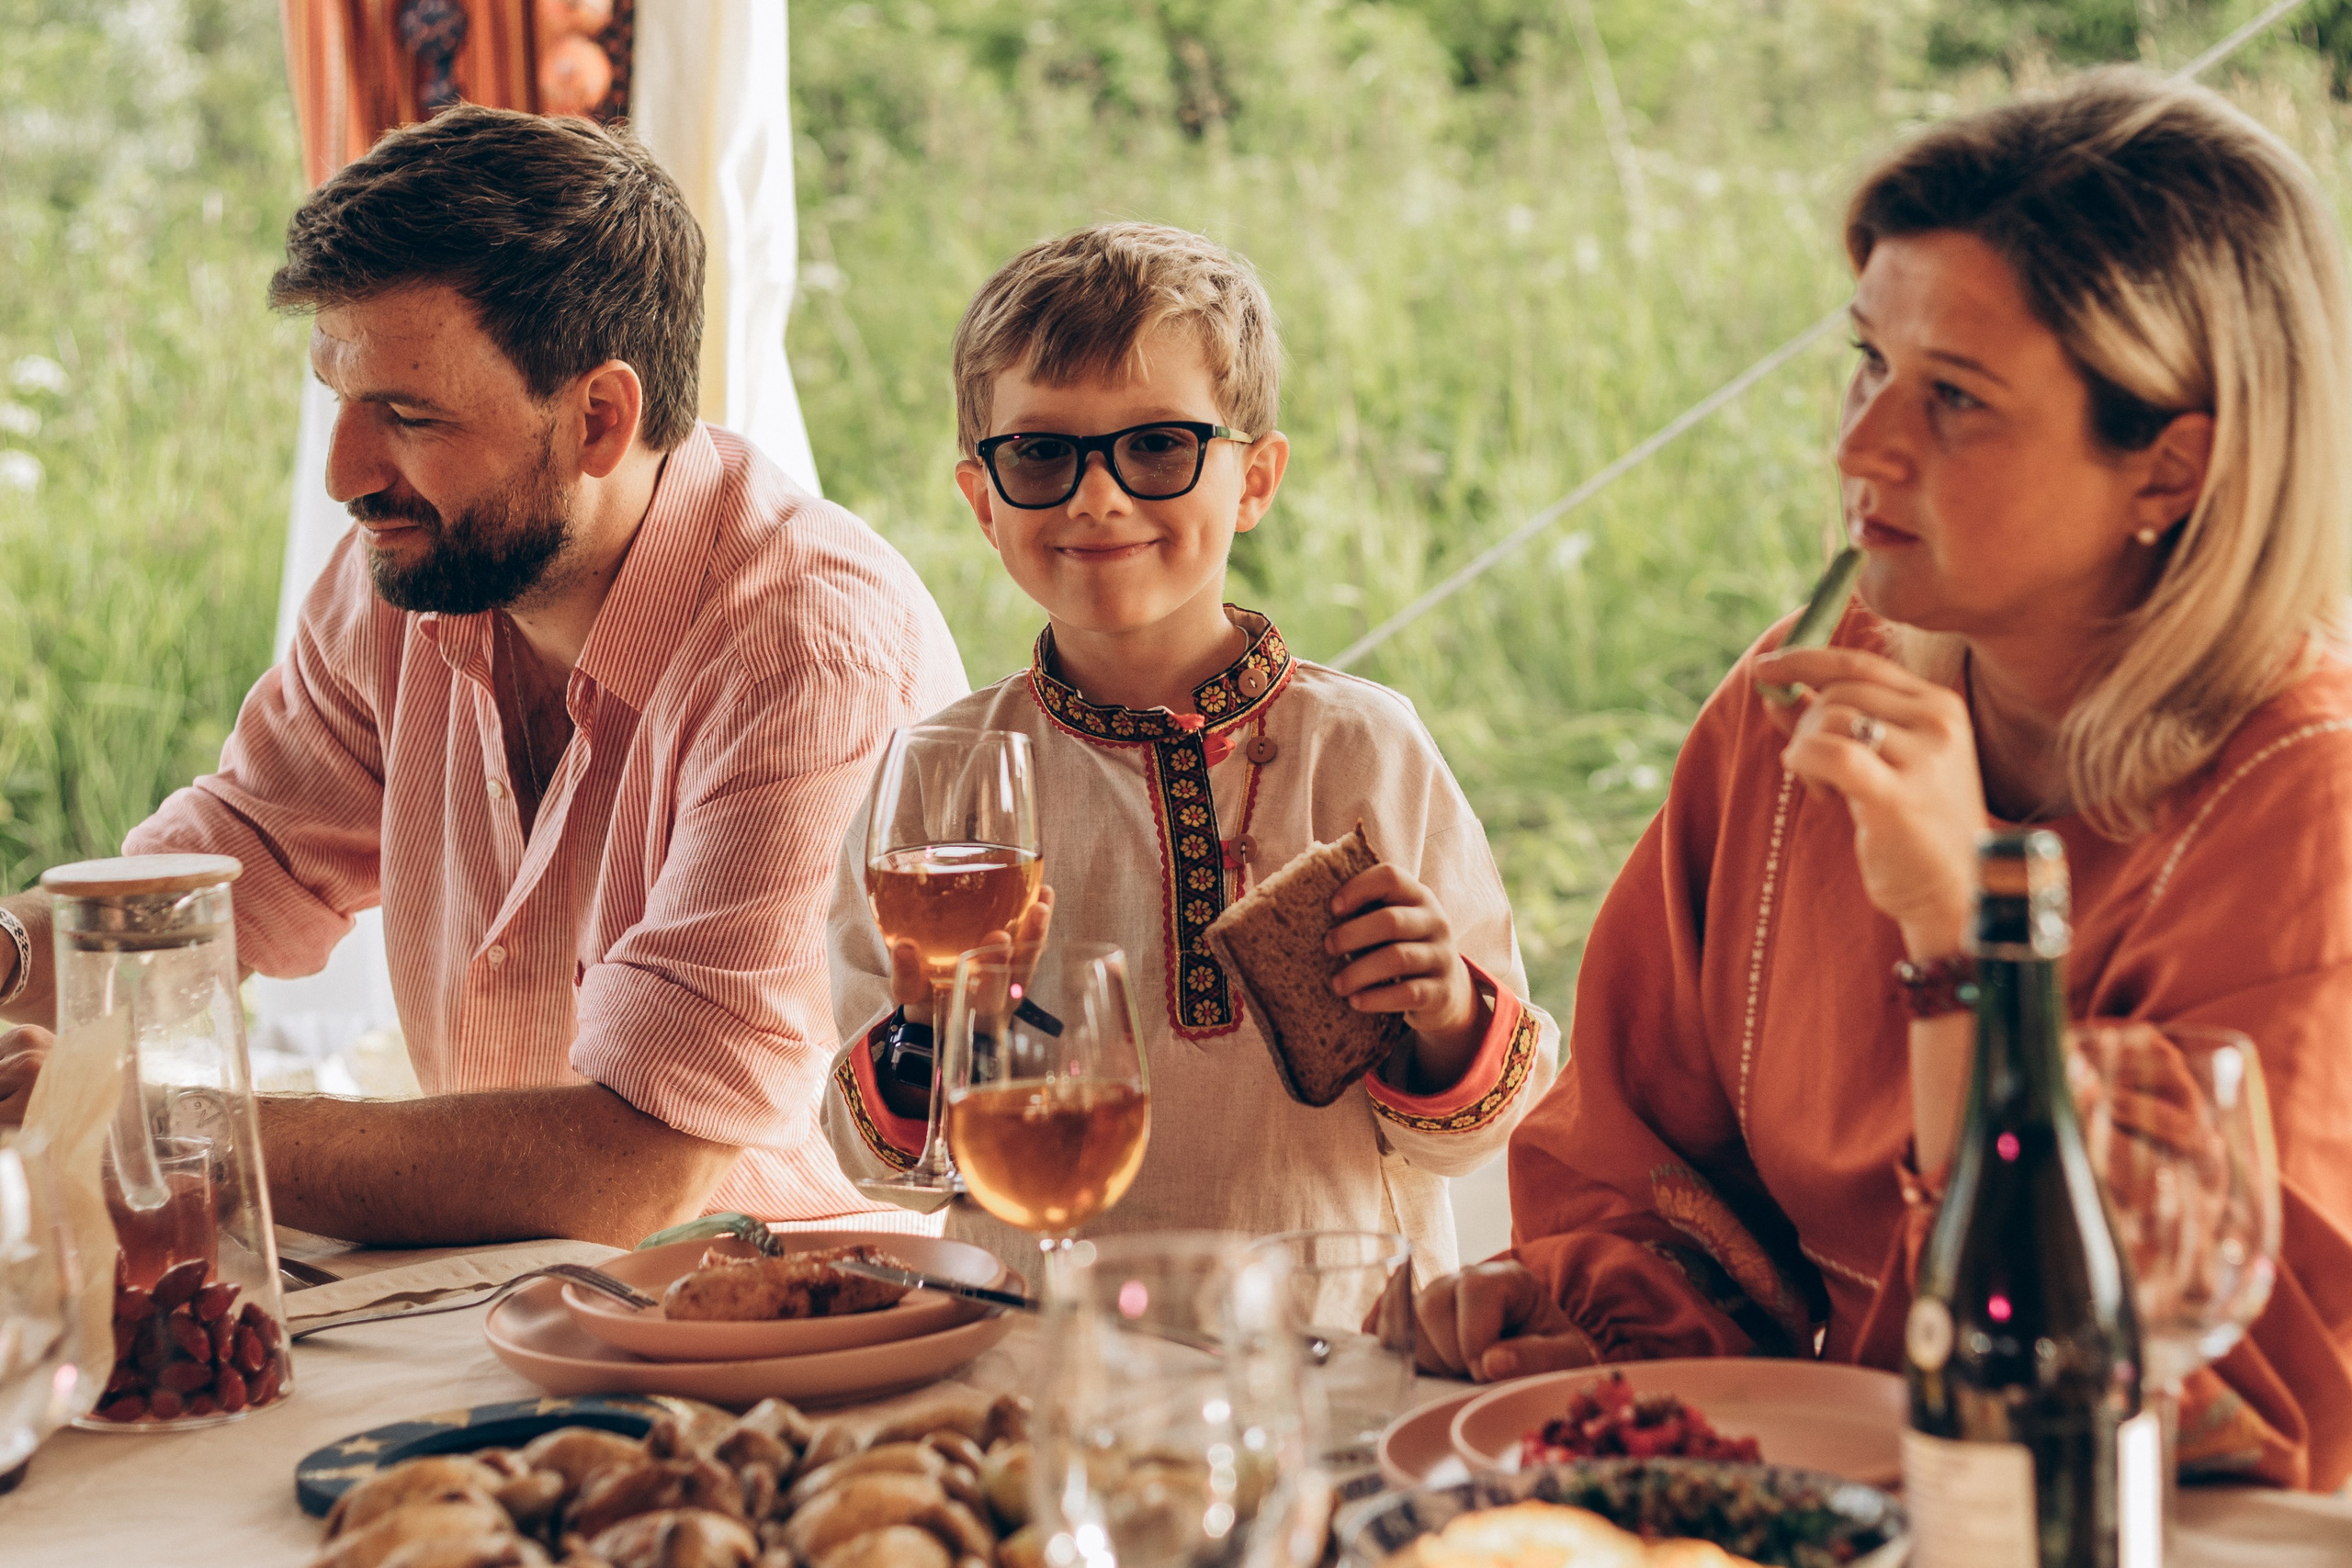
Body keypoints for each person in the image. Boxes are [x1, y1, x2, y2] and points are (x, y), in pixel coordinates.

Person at [1411, 68, 2352, 1491]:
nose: (1858, 448)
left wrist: (1968, 942)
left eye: (1957, 399)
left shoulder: (2308, 812)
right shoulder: (1796, 712)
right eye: (1867, 363)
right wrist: (1598, 1321)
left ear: (2170, 466)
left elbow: (2223, 1393)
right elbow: (1630, 1162)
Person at [0, 107, 967, 1247]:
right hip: (505, 1293)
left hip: (791, 1322)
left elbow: (633, 1170)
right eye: (342, 403)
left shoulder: (808, 651)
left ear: (601, 417)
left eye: (409, 415)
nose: (346, 475)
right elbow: (226, 874)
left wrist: (158, 1121)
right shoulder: (411, 575)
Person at [820, 223, 1556, 1279]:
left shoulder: (1364, 748)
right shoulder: (935, 780)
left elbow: (1494, 1129)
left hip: (1329, 1336)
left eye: (1158, 446)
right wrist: (930, 1037)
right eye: (1040, 452)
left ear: (1255, 481)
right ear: (982, 500)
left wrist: (1443, 1011)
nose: (1097, 497)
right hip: (1034, 1342)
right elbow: (883, 1164)